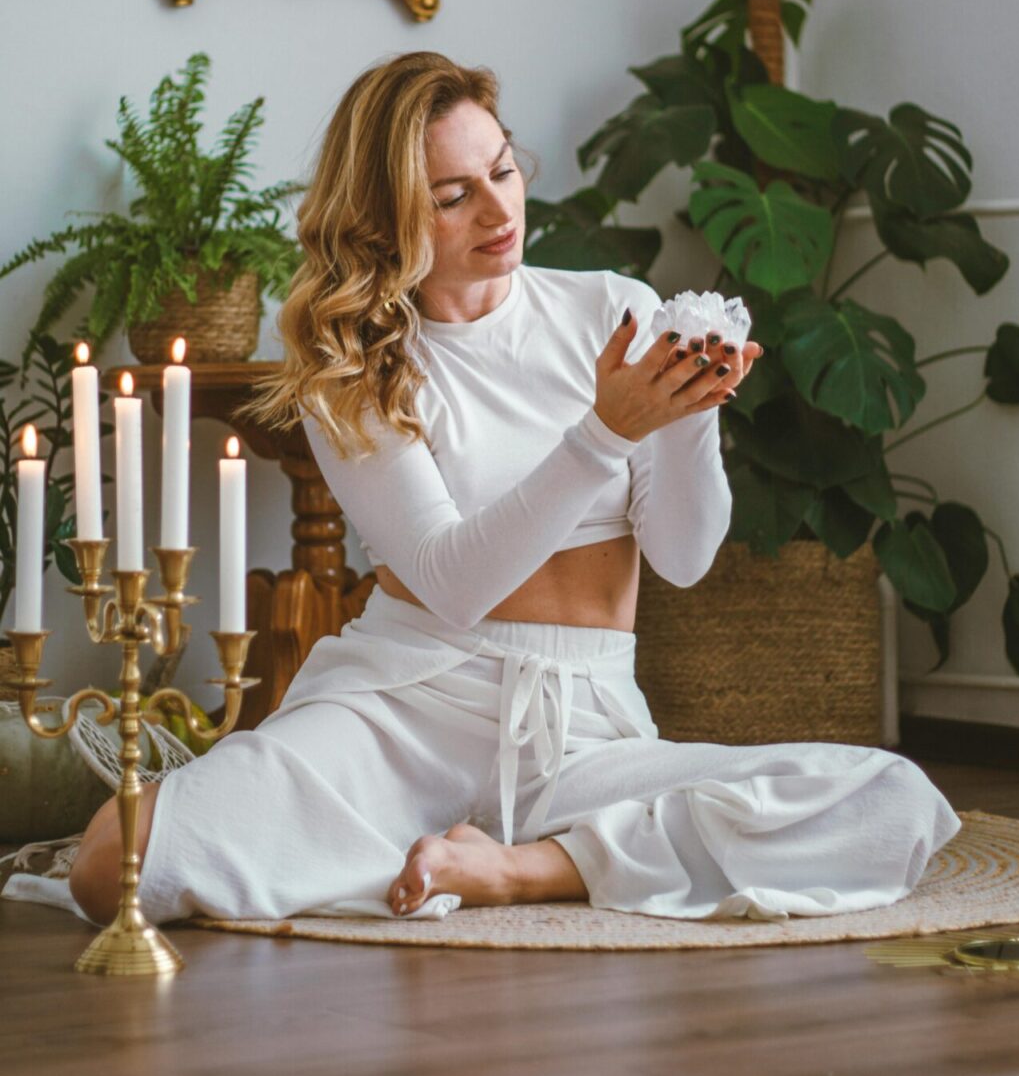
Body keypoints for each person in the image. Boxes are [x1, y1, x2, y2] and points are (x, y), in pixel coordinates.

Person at [70, 51, 961, 928]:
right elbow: (455, 584)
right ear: (381, 223)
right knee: (114, 864)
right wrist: (606, 430)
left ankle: (525, 871)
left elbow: (685, 562)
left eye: (501, 170)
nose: (499, 209)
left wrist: (688, 411)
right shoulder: (351, 368)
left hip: (584, 728)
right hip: (404, 709)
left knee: (893, 800)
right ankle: (456, 845)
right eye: (453, 196)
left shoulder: (608, 308)